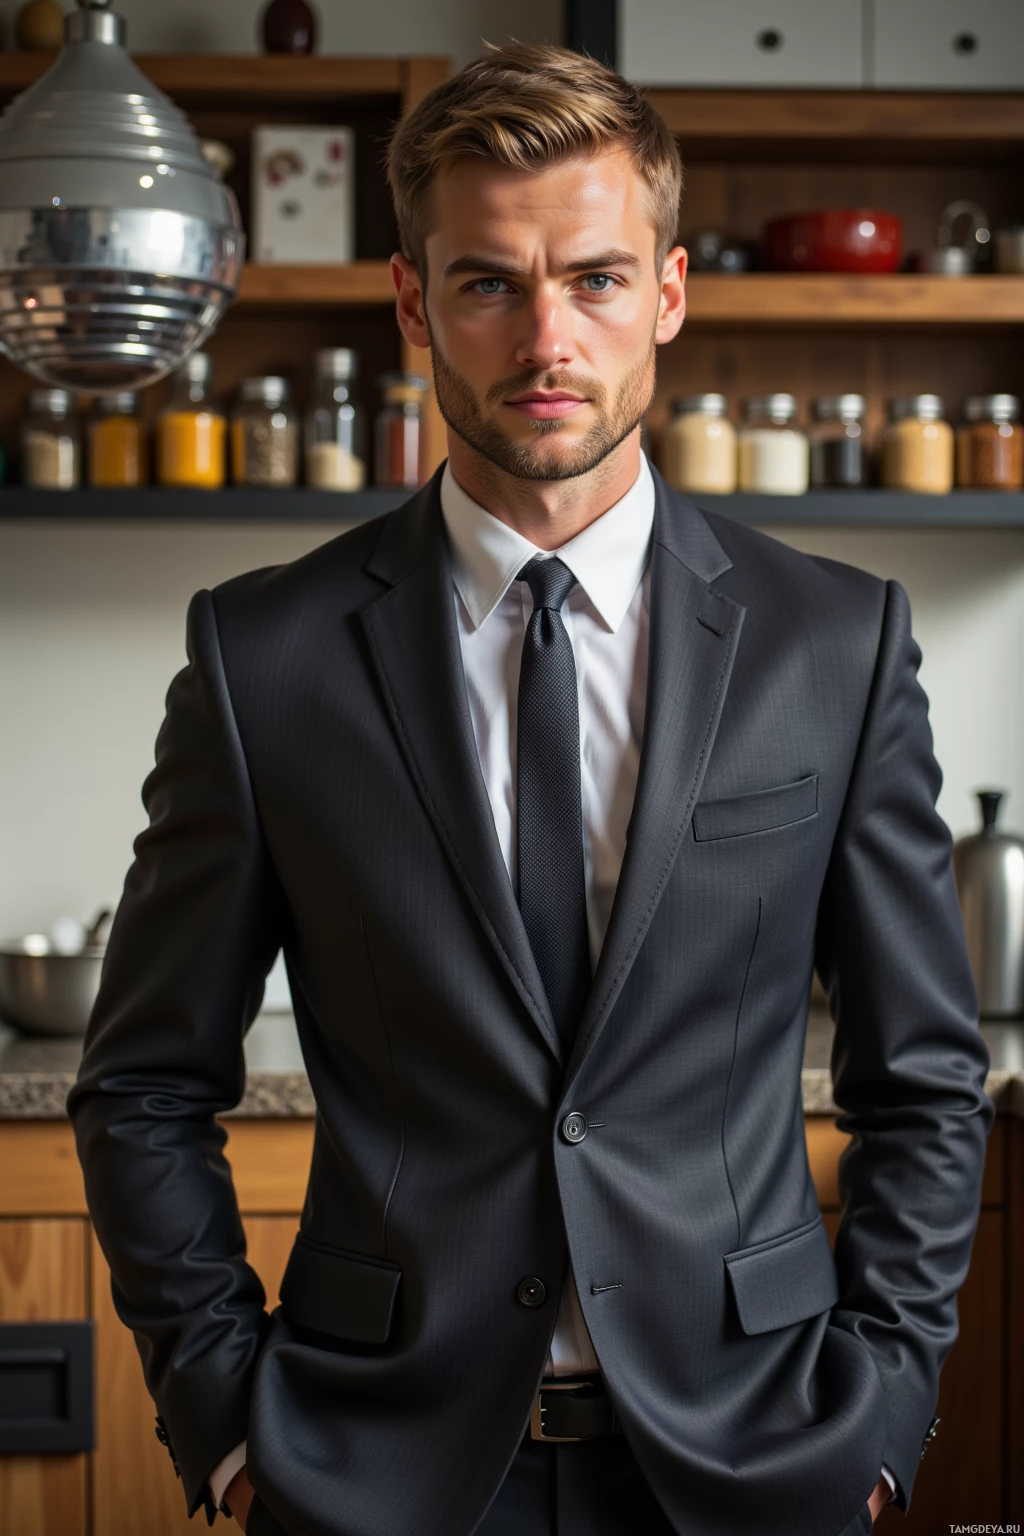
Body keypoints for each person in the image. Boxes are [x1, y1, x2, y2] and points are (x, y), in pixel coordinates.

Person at [68, 41, 994, 1536]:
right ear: (415, 302)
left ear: (671, 295)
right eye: (491, 282)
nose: (546, 336)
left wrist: (879, 1410)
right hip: (377, 1465)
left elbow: (926, 1079)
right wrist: (231, 1419)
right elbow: (142, 1086)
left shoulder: (839, 644)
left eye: (597, 278)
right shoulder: (264, 657)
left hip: (755, 1454)